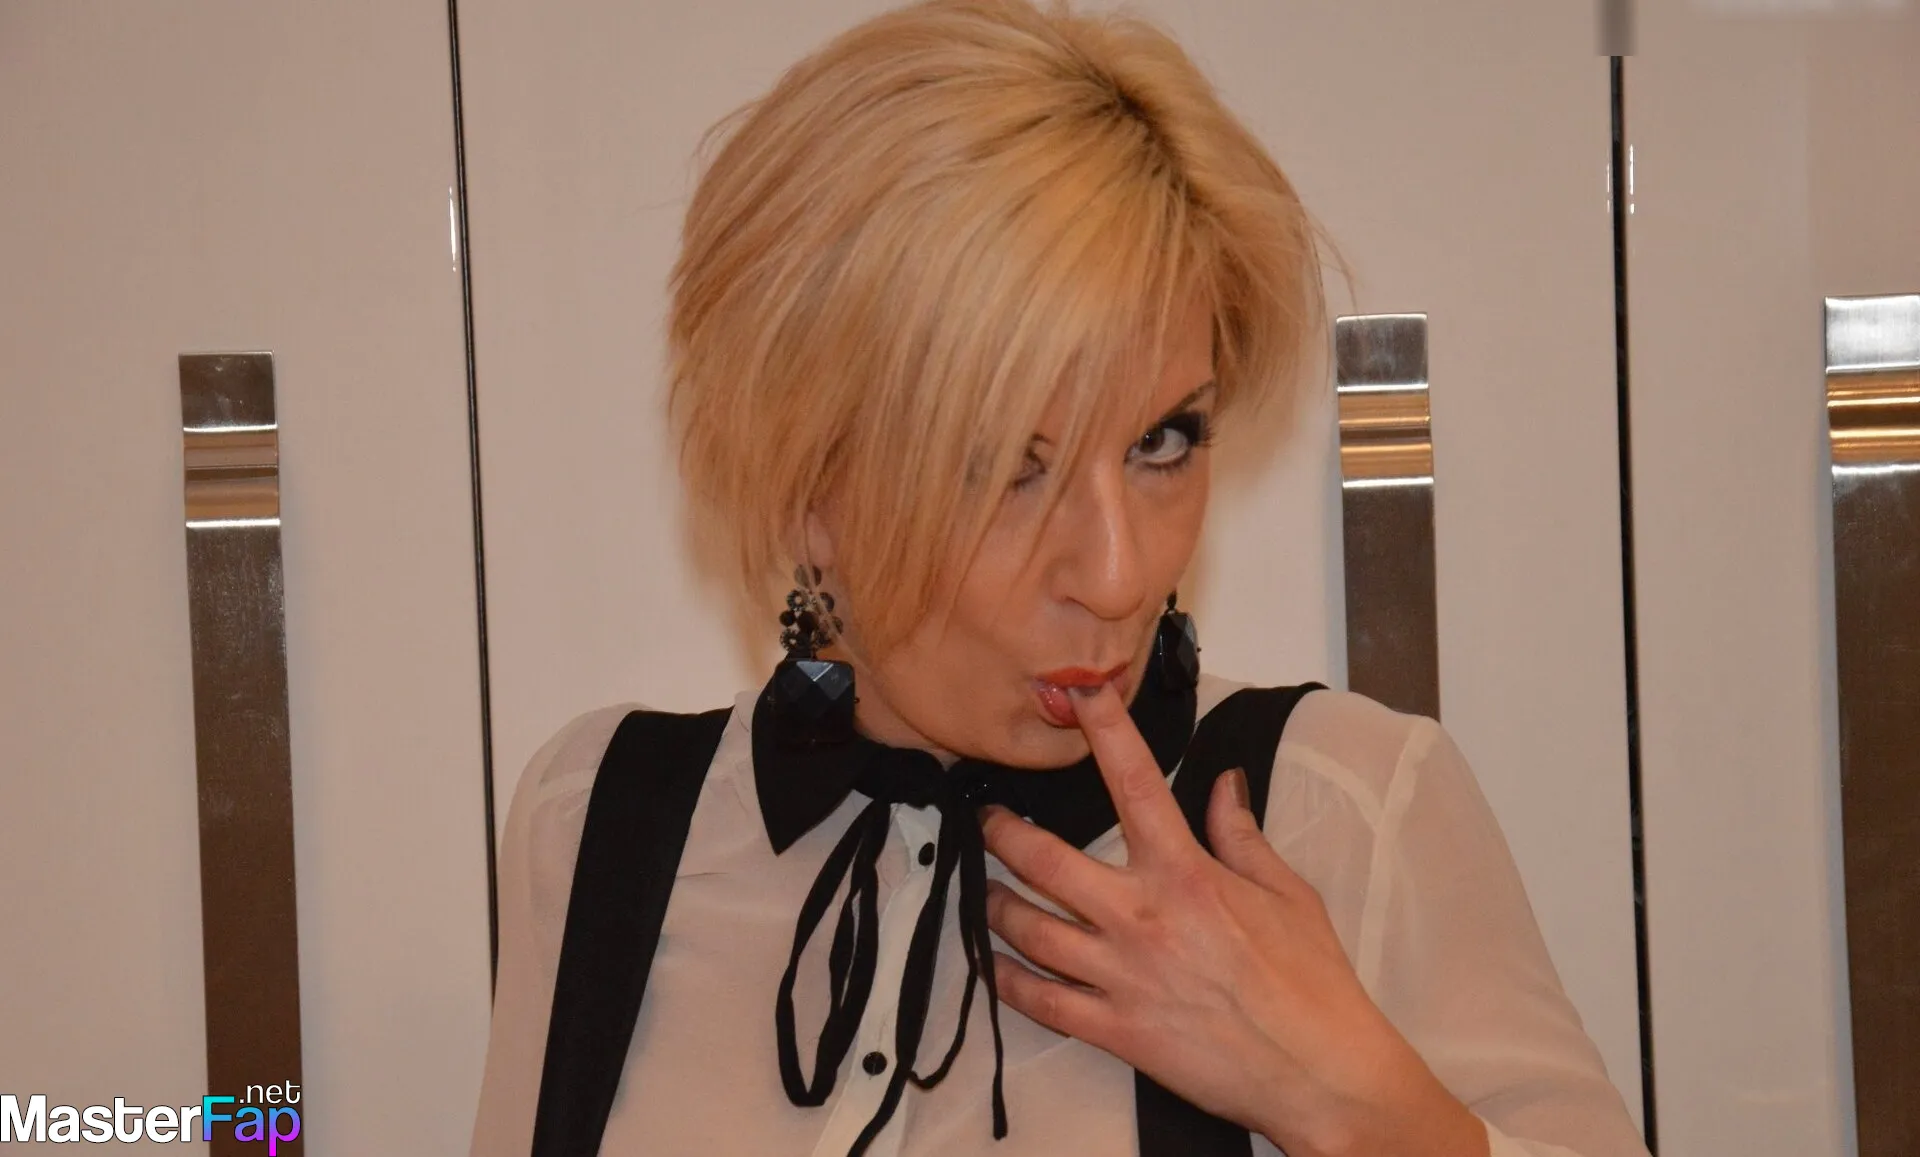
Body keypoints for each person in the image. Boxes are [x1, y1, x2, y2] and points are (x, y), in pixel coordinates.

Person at [469, 1, 1651, 1155]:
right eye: (1006, 466)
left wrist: (1356, 1111)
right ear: (806, 483)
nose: (1120, 573)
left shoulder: (1340, 815)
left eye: (1163, 440)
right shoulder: (596, 823)